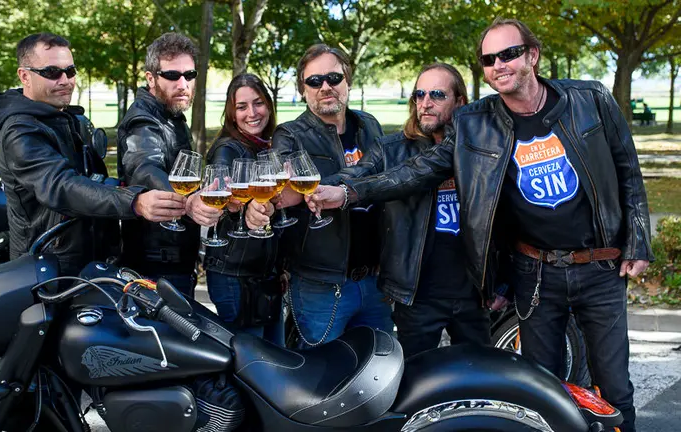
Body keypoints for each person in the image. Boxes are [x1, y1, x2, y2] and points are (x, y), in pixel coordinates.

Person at [310, 18, 652, 431]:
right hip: (535, 272)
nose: (498, 65)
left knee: (614, 387)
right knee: (539, 388)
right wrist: (348, 192)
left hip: (599, 266)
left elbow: (627, 169)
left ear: (532, 55)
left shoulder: (590, 99)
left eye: (508, 54)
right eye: (489, 59)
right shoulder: (477, 124)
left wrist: (639, 239)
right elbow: (415, 171)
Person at [322, 63, 493, 358]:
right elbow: (355, 175)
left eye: (437, 95)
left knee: (480, 374)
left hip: (473, 294)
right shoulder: (391, 149)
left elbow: (502, 216)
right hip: (416, 295)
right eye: (419, 94)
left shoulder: (481, 150)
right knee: (414, 376)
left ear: (460, 102)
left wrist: (498, 284)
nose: (425, 103)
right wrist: (315, 187)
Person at [0, 33, 181, 276]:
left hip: (89, 264)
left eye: (70, 71)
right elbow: (62, 187)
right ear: (24, 76)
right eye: (52, 72)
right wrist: (134, 202)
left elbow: (90, 180)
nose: (65, 80)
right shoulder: (20, 131)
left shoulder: (65, 118)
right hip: (48, 271)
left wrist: (131, 187)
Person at [246, 44, 394, 348]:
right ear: (303, 90)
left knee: (379, 365)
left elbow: (386, 182)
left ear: (348, 80)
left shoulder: (369, 126)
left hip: (374, 279)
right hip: (320, 284)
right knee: (320, 369)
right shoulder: (291, 134)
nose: (325, 87)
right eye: (314, 81)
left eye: (333, 78)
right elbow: (284, 193)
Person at [117, 32, 220, 296]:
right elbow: (144, 167)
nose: (183, 84)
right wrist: (188, 201)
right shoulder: (143, 120)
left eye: (189, 75)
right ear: (151, 78)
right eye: (172, 75)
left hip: (176, 259)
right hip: (155, 266)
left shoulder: (171, 116)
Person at [203, 73, 283, 344]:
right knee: (250, 359)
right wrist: (241, 207)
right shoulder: (227, 149)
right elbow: (220, 194)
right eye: (242, 106)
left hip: (263, 276)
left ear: (269, 105)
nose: (252, 113)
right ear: (231, 113)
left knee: (276, 356)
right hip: (235, 276)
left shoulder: (266, 147)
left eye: (258, 103)